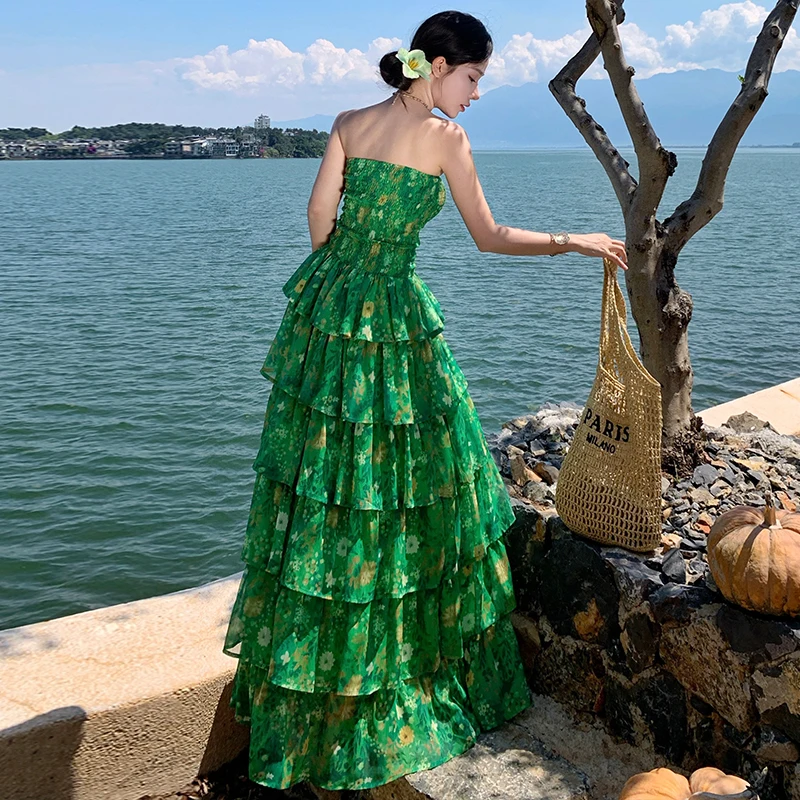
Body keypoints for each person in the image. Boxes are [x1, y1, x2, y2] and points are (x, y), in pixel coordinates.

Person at [221, 9, 628, 793]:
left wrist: (341, 298)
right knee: (413, 489)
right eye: (473, 78)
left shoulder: (346, 122)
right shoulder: (447, 141)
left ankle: (318, 694)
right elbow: (489, 235)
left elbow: (318, 220)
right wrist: (574, 240)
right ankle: (397, 662)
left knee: (326, 494)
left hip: (328, 317)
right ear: (438, 65)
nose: (474, 96)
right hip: (398, 323)